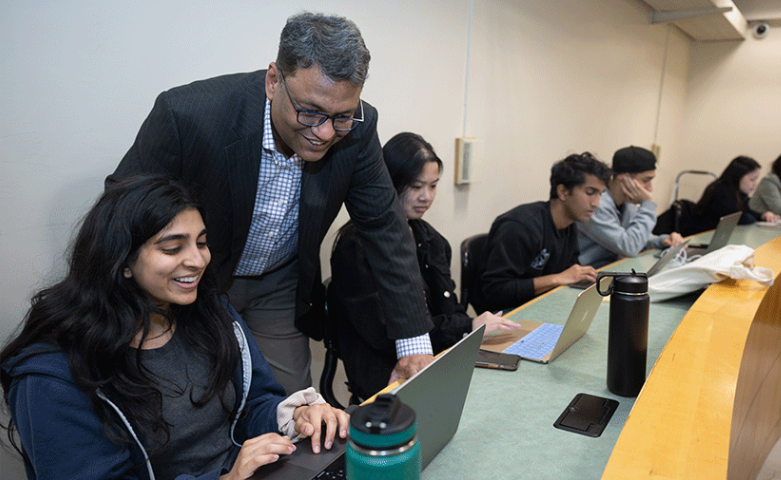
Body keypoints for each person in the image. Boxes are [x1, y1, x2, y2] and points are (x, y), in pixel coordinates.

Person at [108, 12, 434, 393]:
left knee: (294, 407)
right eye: (310, 111)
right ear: (274, 80)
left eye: (341, 117)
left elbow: (384, 228)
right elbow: (119, 210)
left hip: (279, 282)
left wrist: (413, 345)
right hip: (195, 277)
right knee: (188, 397)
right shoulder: (188, 114)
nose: (325, 132)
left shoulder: (359, 127)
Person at [0, 176, 349, 480]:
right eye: (172, 248)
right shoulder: (53, 375)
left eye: (201, 242)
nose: (197, 261)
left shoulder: (210, 313)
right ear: (121, 262)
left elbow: (253, 404)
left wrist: (296, 417)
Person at [329, 133, 520, 402]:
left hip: (436, 359)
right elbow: (383, 334)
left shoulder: (430, 238)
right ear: (391, 182)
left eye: (433, 186)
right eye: (417, 186)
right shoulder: (355, 246)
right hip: (387, 376)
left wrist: (469, 326)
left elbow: (449, 307)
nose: (426, 197)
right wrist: (466, 326)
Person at [470, 152, 611, 314]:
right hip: (505, 314)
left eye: (600, 194)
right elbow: (495, 292)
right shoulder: (521, 226)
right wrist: (556, 279)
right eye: (590, 192)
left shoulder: (570, 224)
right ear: (563, 192)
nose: (596, 203)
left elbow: (570, 272)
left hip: (542, 305)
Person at [577, 145, 684, 269]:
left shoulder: (627, 202)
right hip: (589, 277)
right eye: (646, 180)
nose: (650, 188)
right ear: (624, 178)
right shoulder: (597, 204)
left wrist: (663, 241)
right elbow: (630, 247)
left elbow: (636, 238)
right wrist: (648, 203)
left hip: (615, 270)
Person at [682, 156, 781, 236]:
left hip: (715, 235)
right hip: (699, 236)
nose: (755, 183)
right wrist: (753, 217)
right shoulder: (721, 190)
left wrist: (762, 215)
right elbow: (739, 218)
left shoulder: (739, 192)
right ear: (738, 177)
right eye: (752, 179)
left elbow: (747, 211)